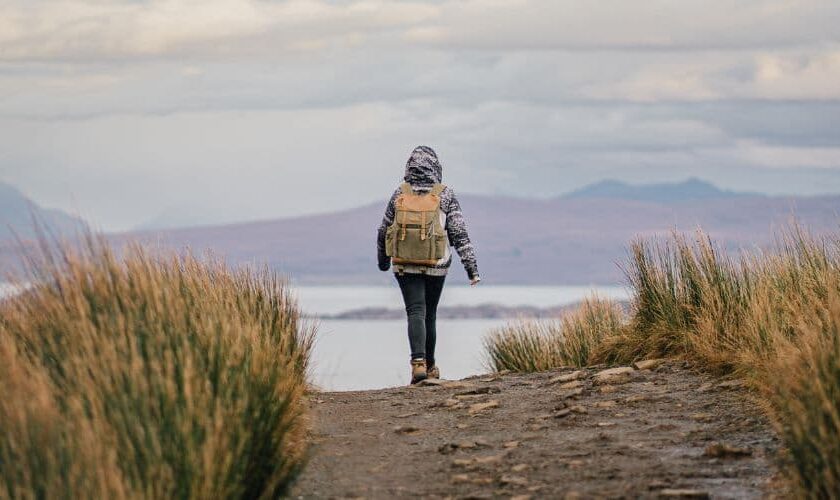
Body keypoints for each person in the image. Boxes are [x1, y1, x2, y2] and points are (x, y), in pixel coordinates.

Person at [377, 146, 480, 385]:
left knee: (415, 311)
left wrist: (383, 261)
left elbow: (383, 229)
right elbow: (459, 234)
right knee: (429, 313)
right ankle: (431, 366)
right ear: (436, 167)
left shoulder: (399, 193)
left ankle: (418, 365)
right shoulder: (445, 195)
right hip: (436, 264)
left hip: (403, 264)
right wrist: (471, 269)